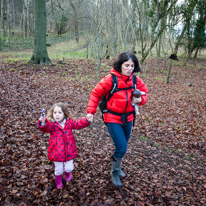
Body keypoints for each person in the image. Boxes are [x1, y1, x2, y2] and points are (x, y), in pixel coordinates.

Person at [86, 51, 148, 187]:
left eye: (132, 66)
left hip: (129, 117)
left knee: (122, 146)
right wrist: (91, 111)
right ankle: (114, 172)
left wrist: (140, 99)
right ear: (120, 65)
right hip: (112, 117)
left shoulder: (135, 80)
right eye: (127, 65)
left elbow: (145, 94)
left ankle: (118, 167)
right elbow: (95, 94)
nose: (130, 69)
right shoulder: (110, 79)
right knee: (121, 147)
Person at [37, 102, 91, 189]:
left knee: (69, 168)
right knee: (59, 170)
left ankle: (67, 174)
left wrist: (87, 120)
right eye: (55, 113)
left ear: (64, 113)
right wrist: (42, 122)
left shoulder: (69, 123)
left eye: (59, 112)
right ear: (52, 114)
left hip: (69, 151)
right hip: (56, 152)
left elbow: (78, 123)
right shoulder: (52, 125)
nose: (57, 115)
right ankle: (58, 181)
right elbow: (45, 128)